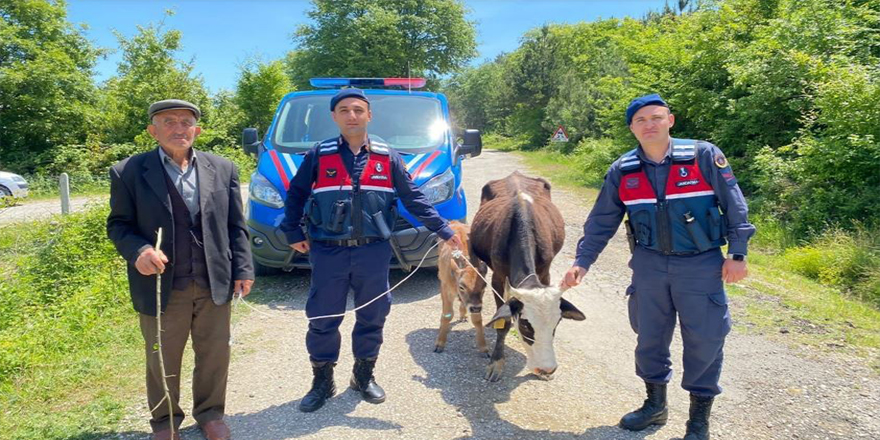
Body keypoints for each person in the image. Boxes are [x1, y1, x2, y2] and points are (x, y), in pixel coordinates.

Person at [560, 94, 755, 440]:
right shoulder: (623, 170)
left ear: (670, 120)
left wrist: (737, 253)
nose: (649, 124)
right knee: (649, 338)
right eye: (641, 120)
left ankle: (698, 422)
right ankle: (655, 406)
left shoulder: (702, 156)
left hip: (701, 264)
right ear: (632, 128)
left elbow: (735, 206)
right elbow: (601, 221)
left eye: (656, 117)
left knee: (705, 340)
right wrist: (582, 262)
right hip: (649, 266)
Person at [280, 88, 463, 413]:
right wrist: (292, 231)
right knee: (323, 318)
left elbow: (414, 198)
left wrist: (444, 230)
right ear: (334, 117)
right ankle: (322, 380)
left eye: (358, 110)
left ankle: (363, 376)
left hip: (373, 252)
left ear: (369, 115)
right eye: (345, 110)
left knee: (373, 315)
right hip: (328, 252)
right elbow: (294, 195)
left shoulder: (388, 156)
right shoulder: (317, 155)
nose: (352, 115)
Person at [107, 99, 254, 440]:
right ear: (152, 130)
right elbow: (119, 225)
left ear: (197, 130)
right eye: (168, 121)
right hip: (161, 286)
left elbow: (236, 225)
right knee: (162, 357)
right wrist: (139, 250)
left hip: (213, 280)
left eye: (186, 122)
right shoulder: (128, 171)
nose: (178, 128)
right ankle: (164, 421)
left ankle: (211, 413)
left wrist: (243, 268)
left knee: (215, 353)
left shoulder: (224, 168)